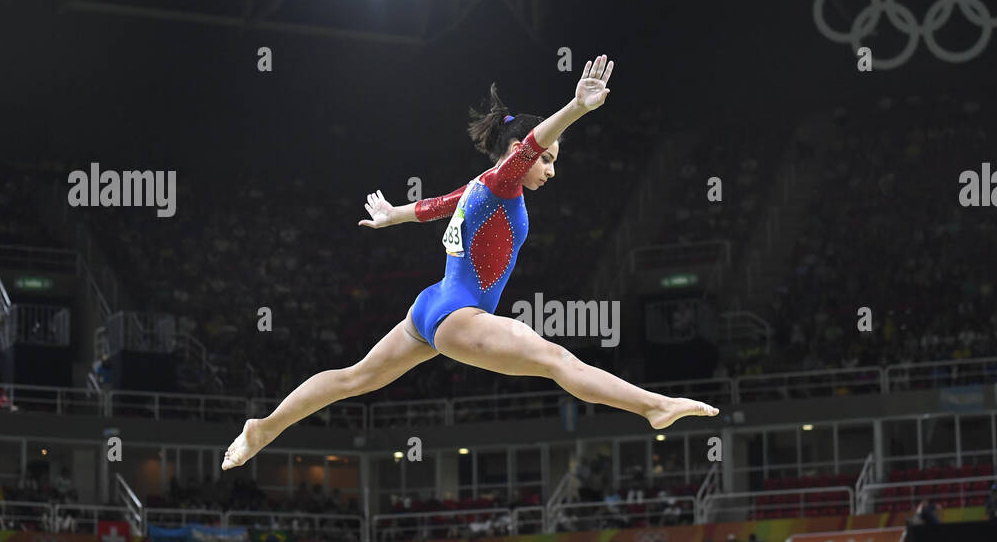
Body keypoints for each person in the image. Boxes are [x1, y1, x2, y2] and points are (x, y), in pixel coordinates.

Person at [221, 57, 717, 471]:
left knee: (353, 378)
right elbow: (527, 148)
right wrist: (575, 107)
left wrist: (393, 214)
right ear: (517, 156)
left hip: (432, 306)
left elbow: (437, 204)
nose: (551, 169)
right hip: (459, 316)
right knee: (557, 360)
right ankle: (654, 406)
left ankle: (263, 429)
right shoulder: (503, 183)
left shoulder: (481, 187)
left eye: (553, 162)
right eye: (549, 161)